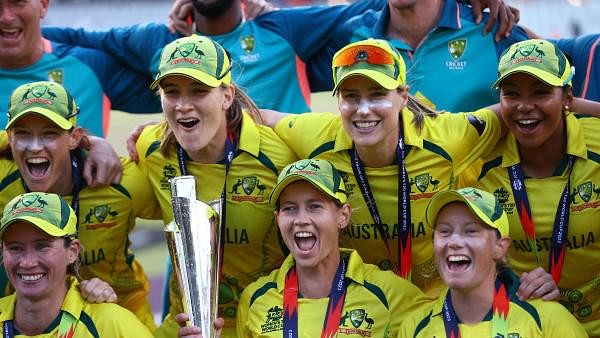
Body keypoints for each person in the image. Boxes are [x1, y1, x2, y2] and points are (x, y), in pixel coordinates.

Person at [262, 38, 600, 298]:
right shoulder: (317, 134)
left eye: (377, 94)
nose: (363, 110)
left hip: (440, 309)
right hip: (362, 308)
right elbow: (262, 117)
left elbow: (516, 108)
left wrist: (575, 105)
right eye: (350, 97)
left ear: (403, 95)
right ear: (338, 102)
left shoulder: (447, 137)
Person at [134, 35, 298, 337]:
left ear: (227, 95)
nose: (183, 106)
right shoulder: (150, 149)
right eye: (171, 92)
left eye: (198, 91)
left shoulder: (279, 154)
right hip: (186, 326)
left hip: (266, 324)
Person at [177, 158, 432, 337]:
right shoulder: (256, 299)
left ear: (342, 216)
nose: (301, 219)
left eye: (315, 206)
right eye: (289, 208)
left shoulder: (393, 295)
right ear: (277, 219)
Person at [0, 80, 162, 330]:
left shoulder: (118, 180)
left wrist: (154, 133)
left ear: (74, 137)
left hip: (122, 317)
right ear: (9, 137)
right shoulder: (3, 179)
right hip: (34, 324)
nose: (34, 146)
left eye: (50, 133)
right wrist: (92, 141)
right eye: (22, 133)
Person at [41, 0, 385, 114]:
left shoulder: (281, 28)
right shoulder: (159, 41)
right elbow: (67, 38)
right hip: (202, 203)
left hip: (287, 199)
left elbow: (372, 8)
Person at [471, 38, 600, 337]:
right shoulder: (480, 158)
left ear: (568, 96)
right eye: (511, 94)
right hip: (523, 323)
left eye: (541, 93)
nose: (524, 106)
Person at [397, 187, 587, 337]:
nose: (454, 241)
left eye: (471, 231)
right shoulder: (414, 328)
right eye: (444, 231)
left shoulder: (549, 320)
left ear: (500, 247)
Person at [307, 0, 529, 112]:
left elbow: (556, 69)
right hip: (390, 198)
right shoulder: (354, 36)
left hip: (480, 197)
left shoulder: (492, 30)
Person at [0, 191, 153, 337]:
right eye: (15, 248)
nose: (28, 262)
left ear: (73, 251)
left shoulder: (111, 324)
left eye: (42, 246)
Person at [0, 0, 161, 137]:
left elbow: (176, 89)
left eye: (18, 1)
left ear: (43, 4)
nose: (6, 17)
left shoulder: (90, 66)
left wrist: (187, 13)